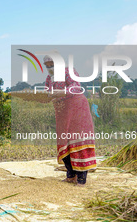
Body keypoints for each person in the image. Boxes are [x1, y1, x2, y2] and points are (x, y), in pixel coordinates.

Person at [43, 54, 96, 186]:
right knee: (64, 142)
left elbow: (76, 86)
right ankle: (71, 175)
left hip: (77, 109)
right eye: (47, 65)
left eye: (52, 64)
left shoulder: (68, 71)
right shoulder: (49, 78)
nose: (50, 67)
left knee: (77, 141)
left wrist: (60, 93)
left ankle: (81, 178)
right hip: (62, 112)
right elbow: (46, 92)